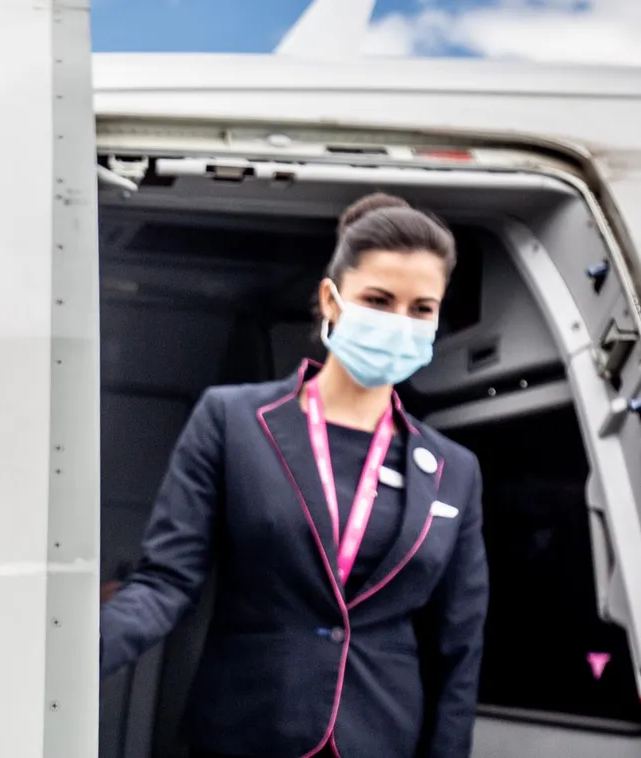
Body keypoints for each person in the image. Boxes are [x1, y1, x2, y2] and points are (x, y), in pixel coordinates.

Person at [100, 193, 490, 758]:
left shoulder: (455, 469)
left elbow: (458, 644)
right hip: (248, 730)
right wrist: (73, 655)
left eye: (420, 308)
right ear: (331, 300)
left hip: (380, 738)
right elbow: (166, 583)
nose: (399, 323)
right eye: (378, 300)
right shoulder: (233, 420)